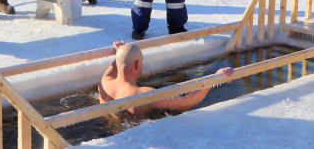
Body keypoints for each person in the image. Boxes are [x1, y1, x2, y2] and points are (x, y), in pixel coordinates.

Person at [98, 40, 234, 117]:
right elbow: (185, 103)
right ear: (137, 64)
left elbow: (119, 62)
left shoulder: (105, 82)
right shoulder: (143, 94)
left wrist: (122, 52)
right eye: (141, 60)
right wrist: (214, 78)